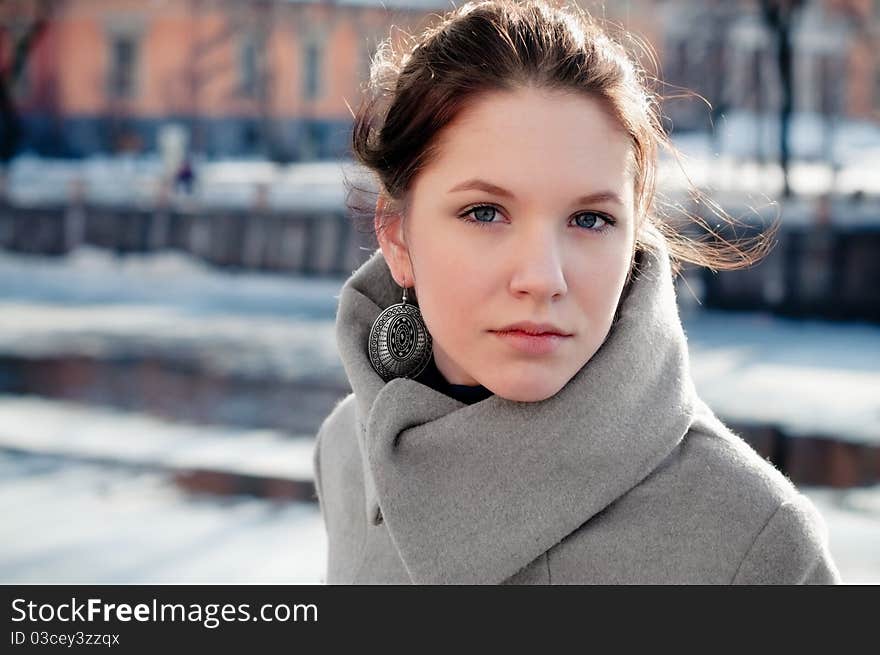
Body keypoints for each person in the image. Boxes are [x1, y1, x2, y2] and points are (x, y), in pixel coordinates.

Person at [312, 0, 841, 584]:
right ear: (397, 236)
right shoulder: (349, 451)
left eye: (589, 220)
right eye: (485, 212)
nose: (543, 278)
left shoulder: (755, 538)